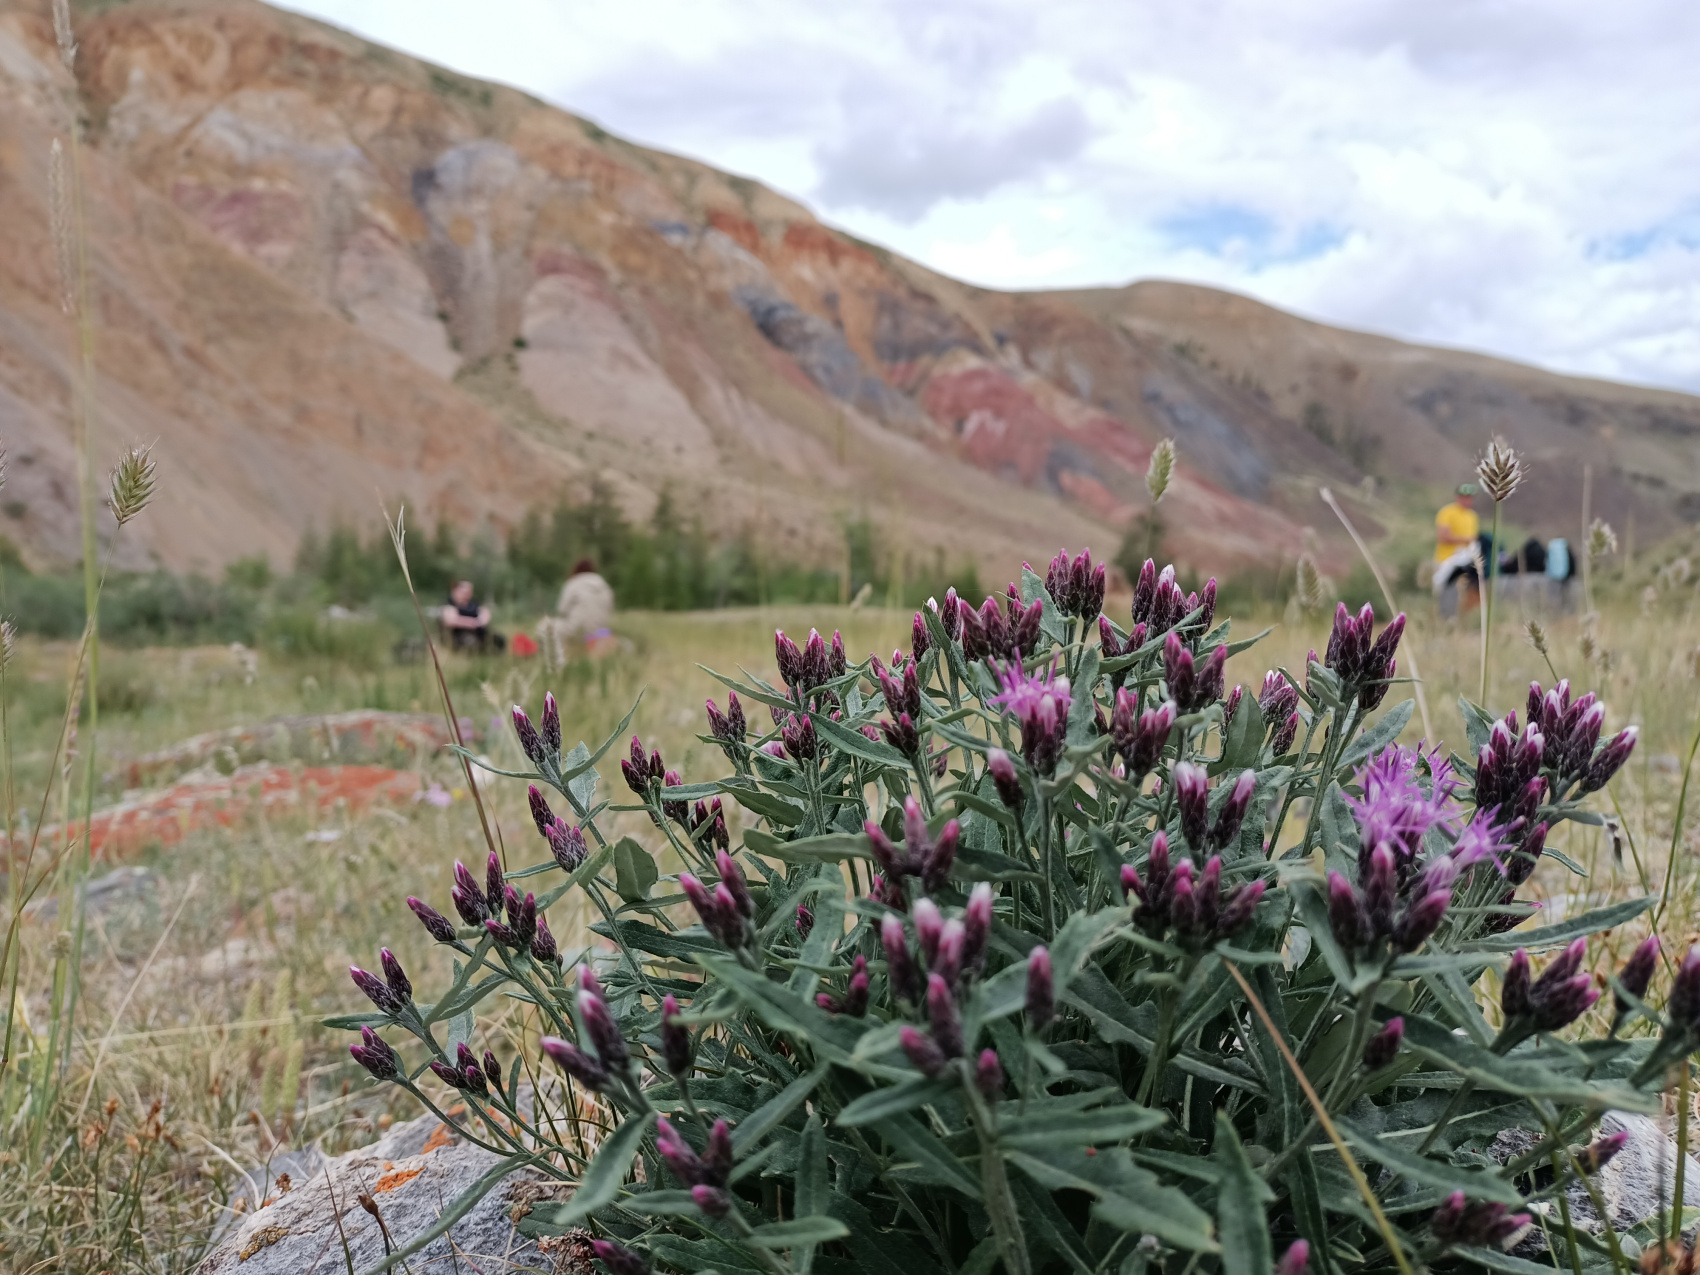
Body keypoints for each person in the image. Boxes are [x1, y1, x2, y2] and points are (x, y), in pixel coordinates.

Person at [538, 559, 615, 668]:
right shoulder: (604, 584)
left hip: (577, 630)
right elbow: (610, 608)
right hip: (600, 632)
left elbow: (562, 610)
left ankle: (555, 663)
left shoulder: (573, 583)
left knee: (544, 626)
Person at [1433, 484, 1483, 618]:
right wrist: (1465, 539)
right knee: (1447, 590)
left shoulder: (1472, 516)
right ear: (1458, 497)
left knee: (1463, 591)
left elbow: (1474, 538)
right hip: (1447, 560)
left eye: (1470, 497)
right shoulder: (1448, 512)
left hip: (1465, 561)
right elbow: (1443, 536)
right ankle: (1445, 618)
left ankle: (1458, 618)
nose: (1468, 500)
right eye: (1465, 497)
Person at [440, 580, 504, 652]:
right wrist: (471, 622)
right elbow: (450, 620)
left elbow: (485, 614)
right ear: (456, 591)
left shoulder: (473, 604)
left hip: (479, 632)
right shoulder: (450, 604)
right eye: (464, 592)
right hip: (460, 634)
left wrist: (480, 621)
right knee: (470, 643)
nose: (467, 594)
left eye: (469, 592)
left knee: (499, 639)